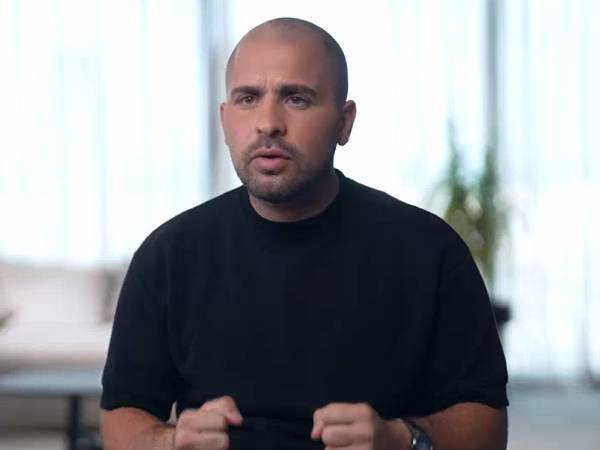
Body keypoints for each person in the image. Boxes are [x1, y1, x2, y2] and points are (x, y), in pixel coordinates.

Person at [100, 17, 509, 450]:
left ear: (344, 122)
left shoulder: (429, 250)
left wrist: (398, 438)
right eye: (247, 98)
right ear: (224, 119)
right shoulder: (168, 255)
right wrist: (169, 442)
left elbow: (487, 428)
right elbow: (122, 418)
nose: (268, 123)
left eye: (296, 98)